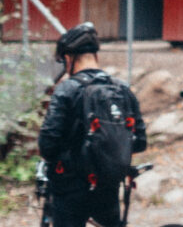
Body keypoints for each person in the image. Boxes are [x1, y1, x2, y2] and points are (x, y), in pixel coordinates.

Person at [37, 23, 147, 227]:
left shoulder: (66, 89)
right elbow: (140, 142)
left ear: (68, 59)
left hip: (70, 189)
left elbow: (47, 145)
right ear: (95, 55)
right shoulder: (121, 88)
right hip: (109, 185)